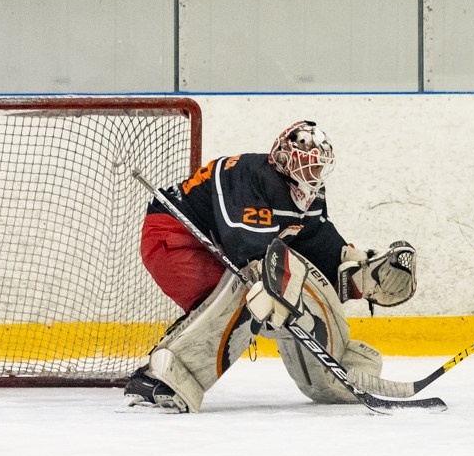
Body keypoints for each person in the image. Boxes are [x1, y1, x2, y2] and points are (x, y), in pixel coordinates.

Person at [126, 121, 418, 413]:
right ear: (284, 159)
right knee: (248, 295)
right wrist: (270, 286)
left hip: (216, 245)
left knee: (286, 288)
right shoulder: (248, 175)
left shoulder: (310, 193)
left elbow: (315, 244)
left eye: (319, 167)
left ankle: (334, 372)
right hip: (174, 236)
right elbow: (245, 247)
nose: (314, 175)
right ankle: (161, 378)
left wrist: (355, 273)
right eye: (308, 166)